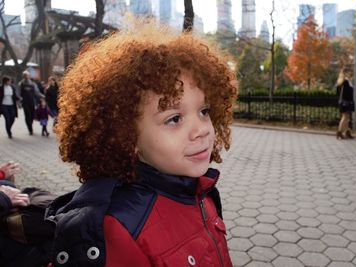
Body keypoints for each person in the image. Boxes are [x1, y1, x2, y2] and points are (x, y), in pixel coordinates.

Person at [45, 23, 237, 266]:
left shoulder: (202, 192)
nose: (202, 130)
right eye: (174, 118)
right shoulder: (118, 229)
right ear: (126, 134)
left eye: (204, 110)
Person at [17, 71, 45, 135]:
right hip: (25, 102)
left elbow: (37, 92)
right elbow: (18, 93)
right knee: (27, 115)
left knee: (32, 115)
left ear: (29, 76)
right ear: (23, 76)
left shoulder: (33, 84)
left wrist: (43, 96)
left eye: (27, 75)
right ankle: (30, 129)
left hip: (32, 102)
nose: (26, 77)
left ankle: (30, 124)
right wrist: (19, 99)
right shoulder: (20, 84)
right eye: (25, 76)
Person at [336, 69, 355, 140]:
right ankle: (339, 132)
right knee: (345, 117)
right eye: (350, 73)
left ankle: (347, 132)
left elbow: (337, 93)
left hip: (343, 102)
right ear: (347, 74)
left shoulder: (340, 81)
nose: (351, 74)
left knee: (346, 118)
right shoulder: (346, 82)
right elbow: (349, 93)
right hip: (347, 102)